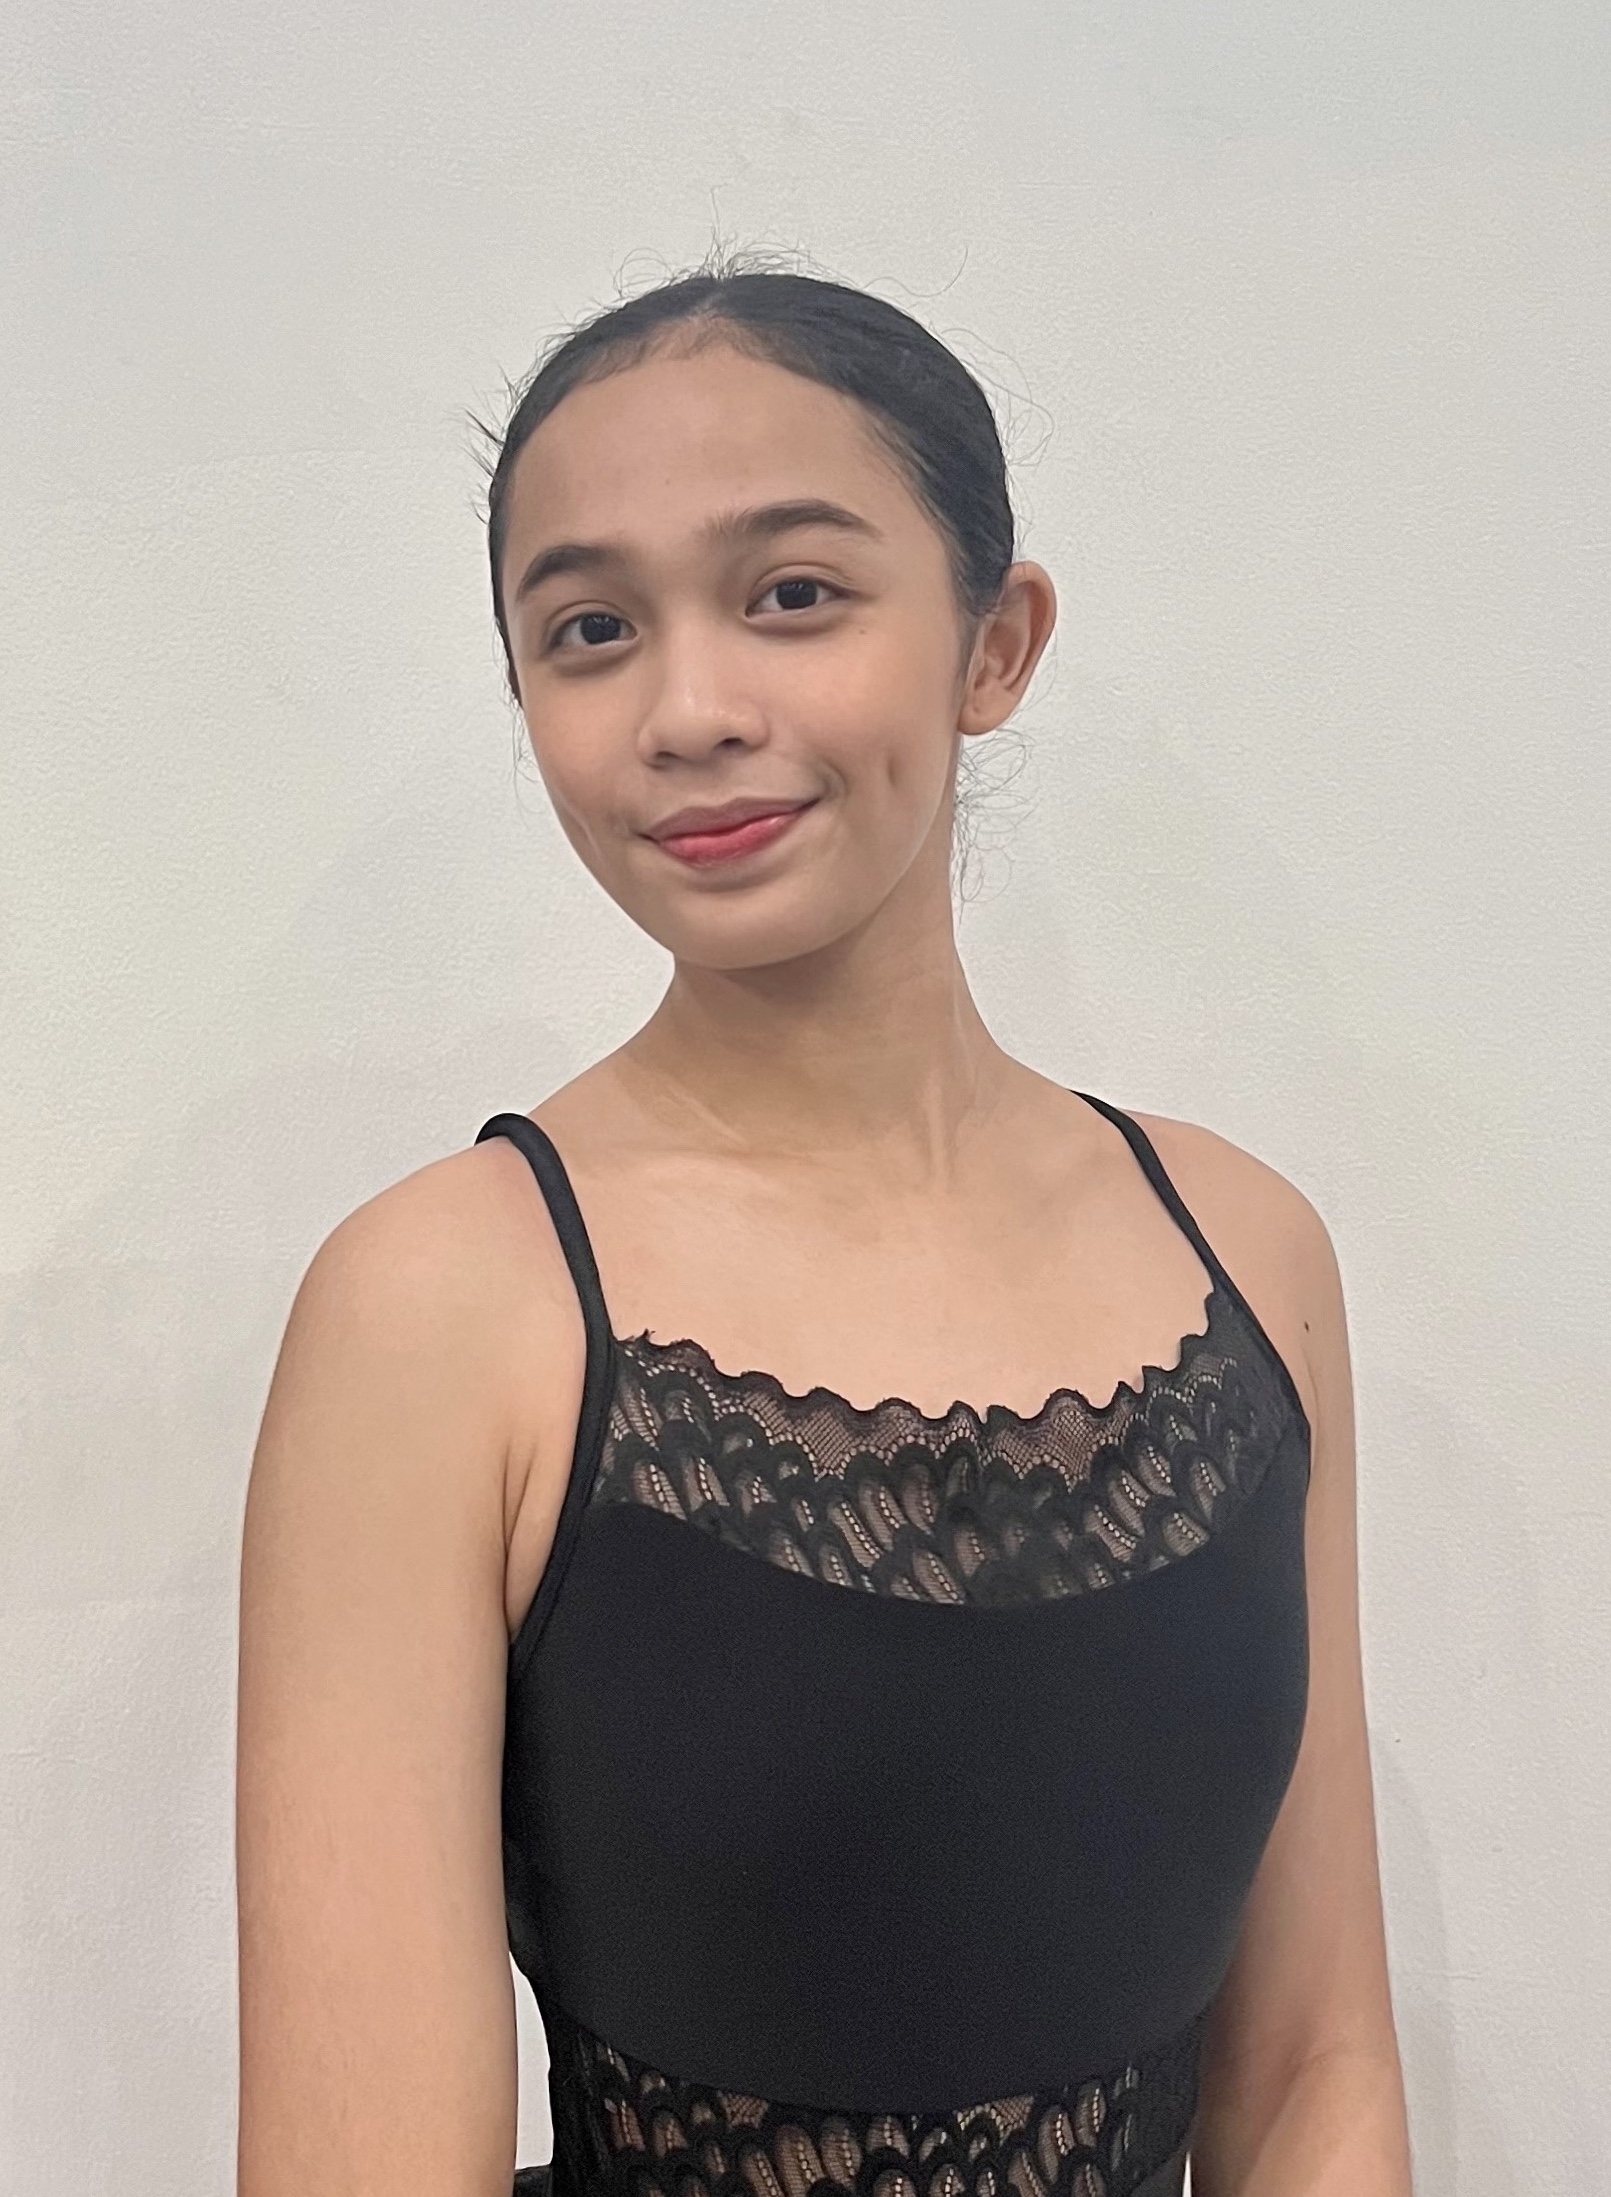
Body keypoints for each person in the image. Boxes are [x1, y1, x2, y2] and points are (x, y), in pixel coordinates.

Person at [235, 251, 1414, 2197]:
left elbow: (1310, 2071)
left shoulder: (1249, 1254)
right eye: (590, 629)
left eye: (790, 593)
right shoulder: (443, 1305)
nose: (689, 708)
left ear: (992, 645)